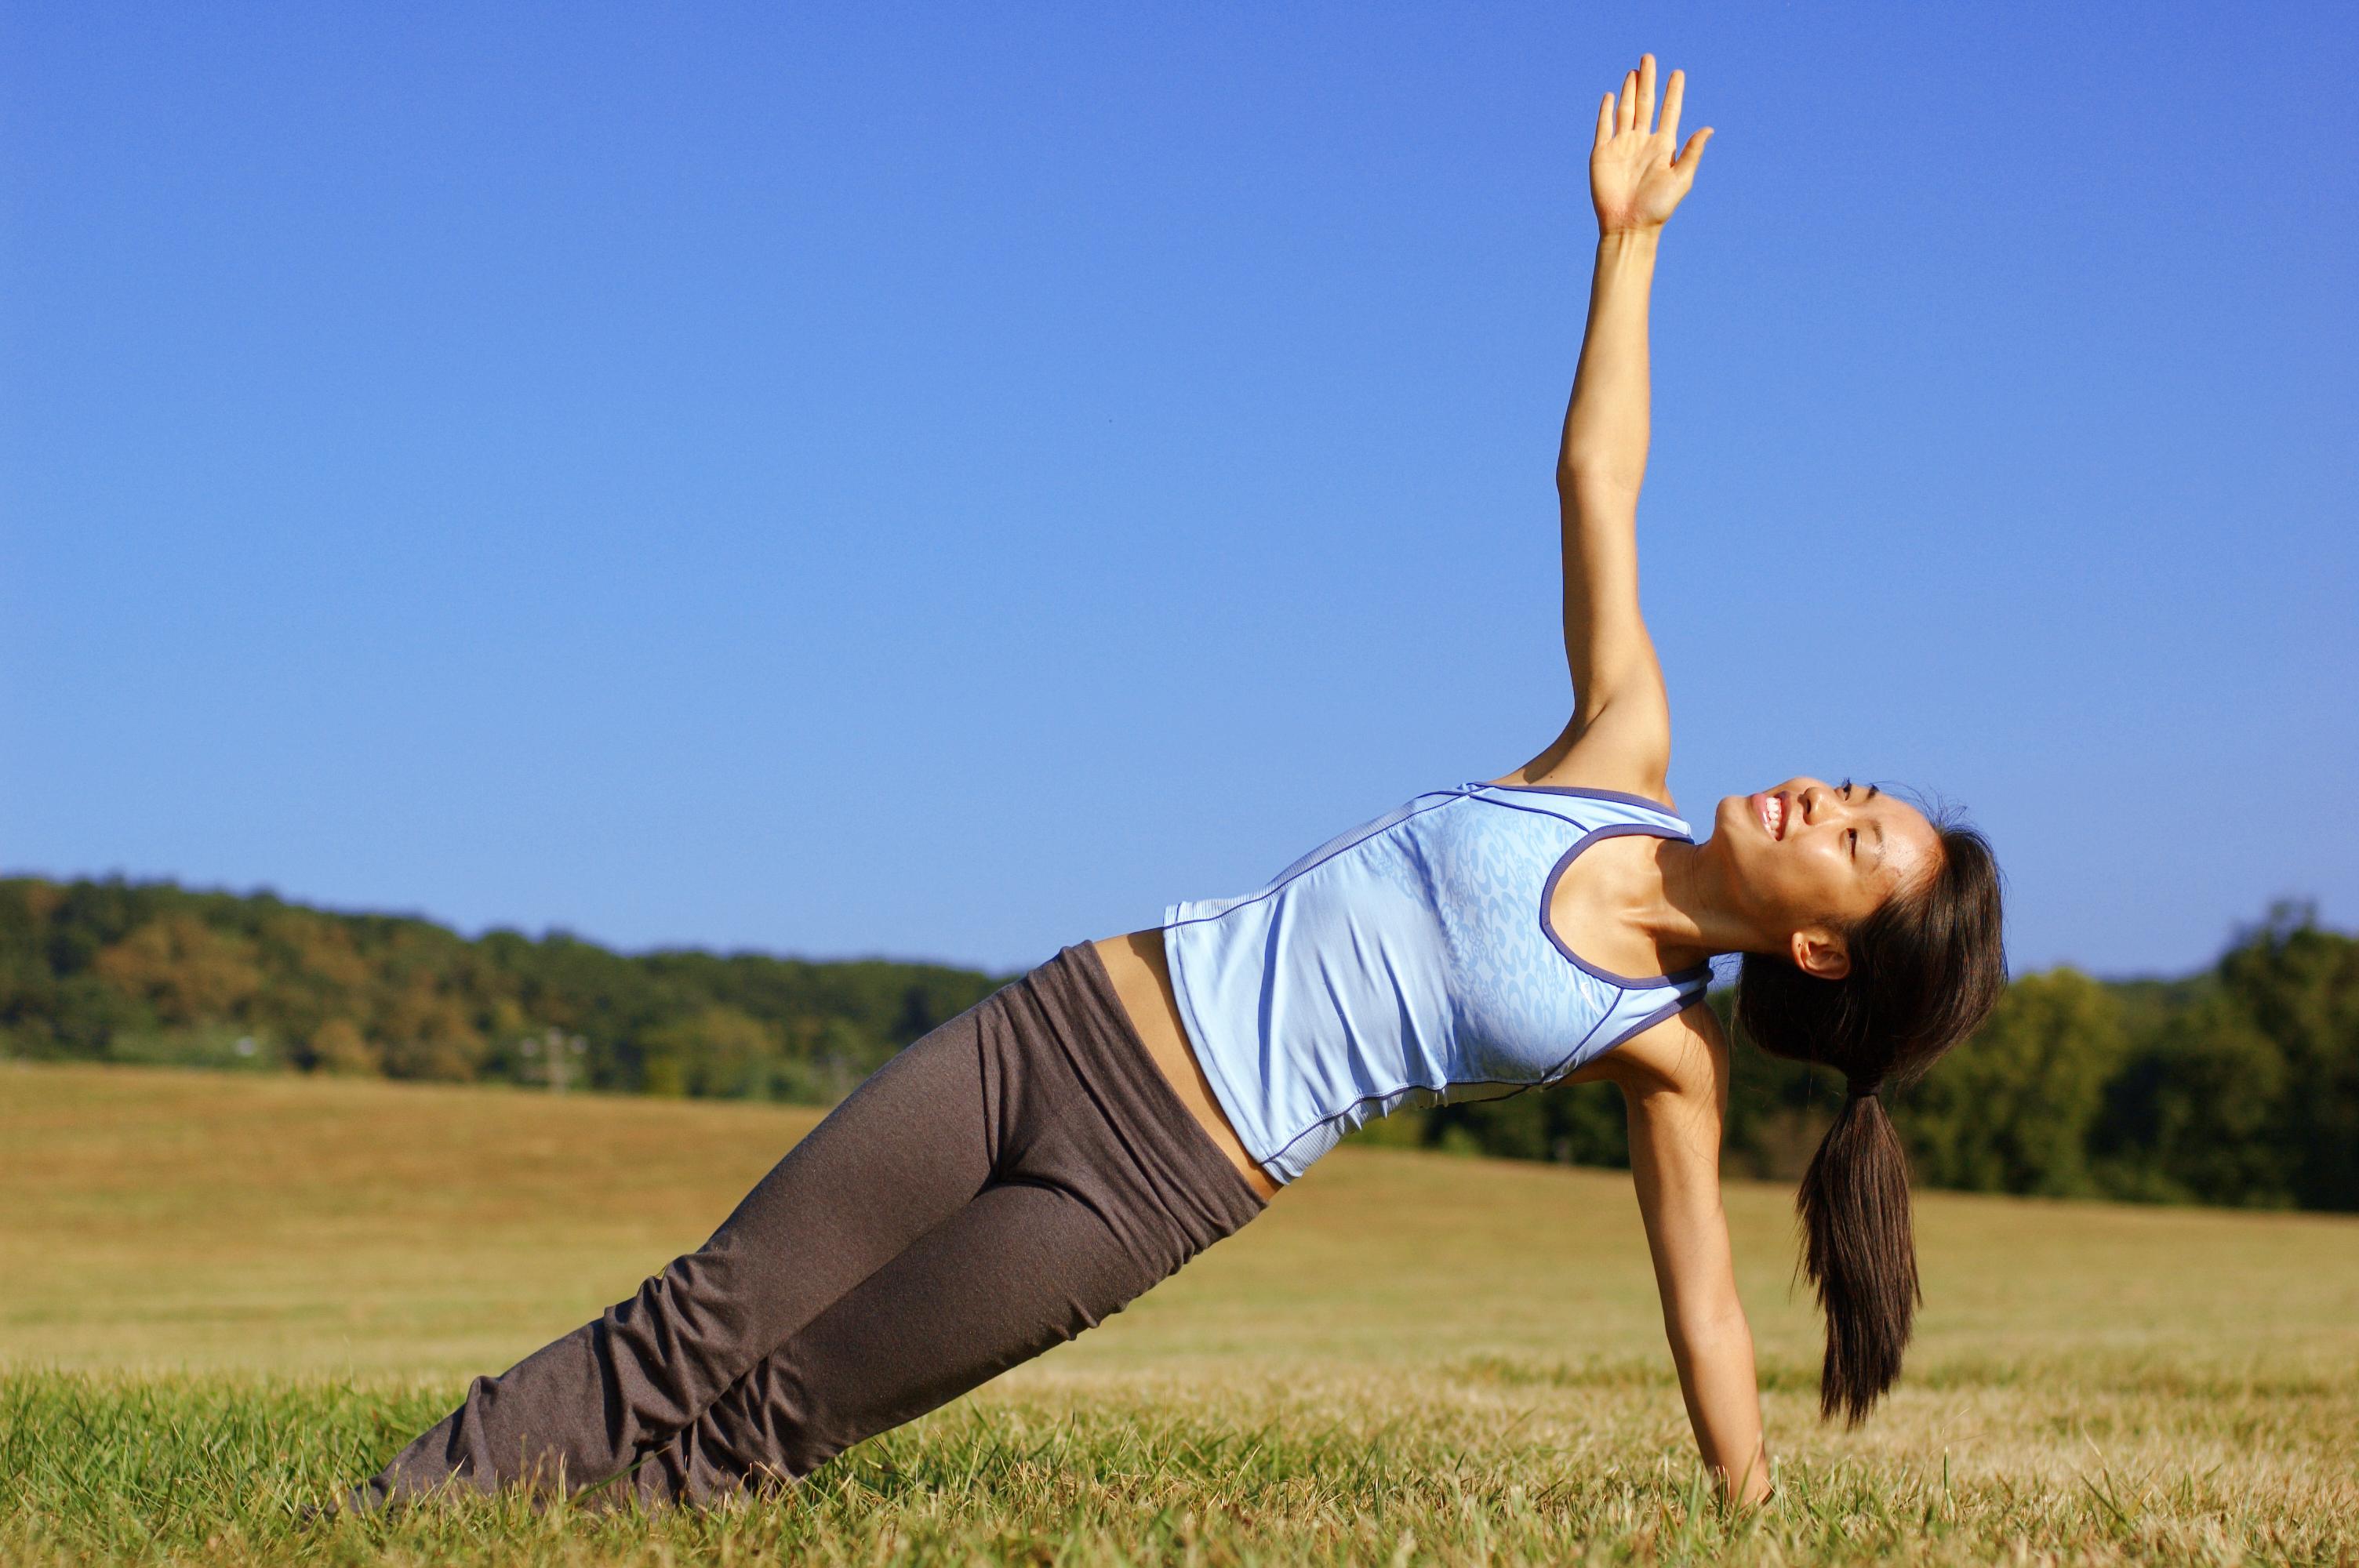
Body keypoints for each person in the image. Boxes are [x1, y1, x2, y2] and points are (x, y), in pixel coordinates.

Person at [350, 54, 2003, 1515]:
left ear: (1823, 954)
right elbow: (1600, 474)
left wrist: (1752, 1509)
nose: (1810, 794)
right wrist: (1626, 249)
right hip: (1060, 1028)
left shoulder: (1664, 1054)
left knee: (765, 1431)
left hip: (1150, 1186)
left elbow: (1702, 1303)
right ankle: (391, 1514)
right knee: (708, 1311)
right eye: (1848, 787)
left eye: (1852, 839)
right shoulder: (1616, 746)